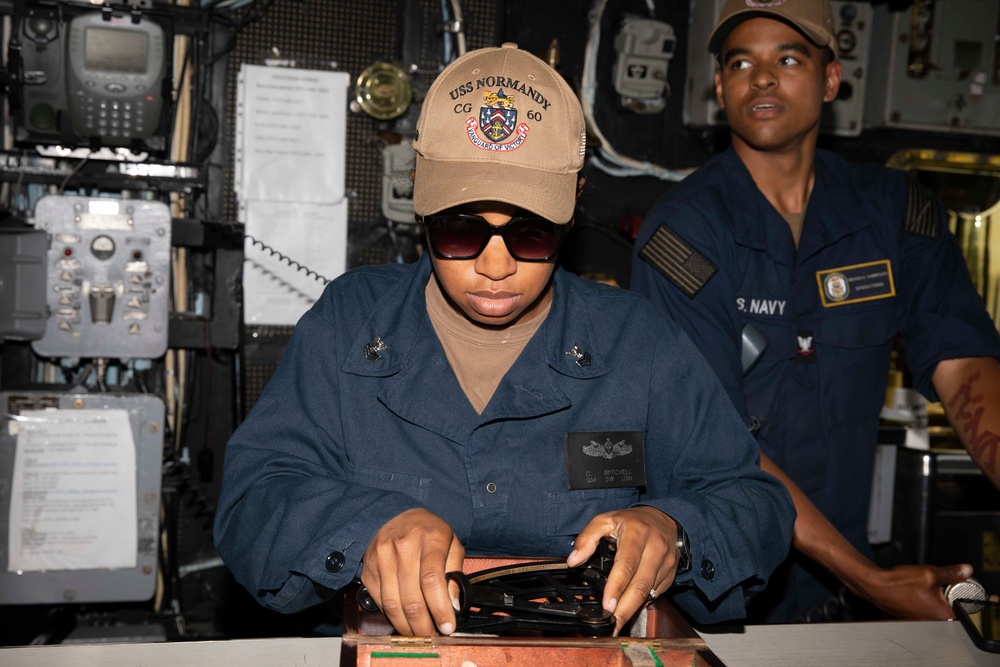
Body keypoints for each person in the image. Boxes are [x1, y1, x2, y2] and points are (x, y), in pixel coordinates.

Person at [214, 43, 794, 637]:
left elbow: (755, 503)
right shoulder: (350, 324)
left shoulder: (635, 342)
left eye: (532, 233)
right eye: (461, 230)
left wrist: (674, 528)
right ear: (420, 203)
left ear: (572, 213)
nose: (495, 266)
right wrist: (364, 528)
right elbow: (253, 501)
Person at [631, 0, 1000, 624]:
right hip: (727, 596)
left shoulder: (894, 214)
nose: (764, 77)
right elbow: (711, 437)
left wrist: (862, 580)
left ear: (831, 78)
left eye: (789, 58)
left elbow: (964, 366)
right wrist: (869, 579)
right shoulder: (684, 235)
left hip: (843, 592)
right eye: (741, 61)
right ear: (720, 87)